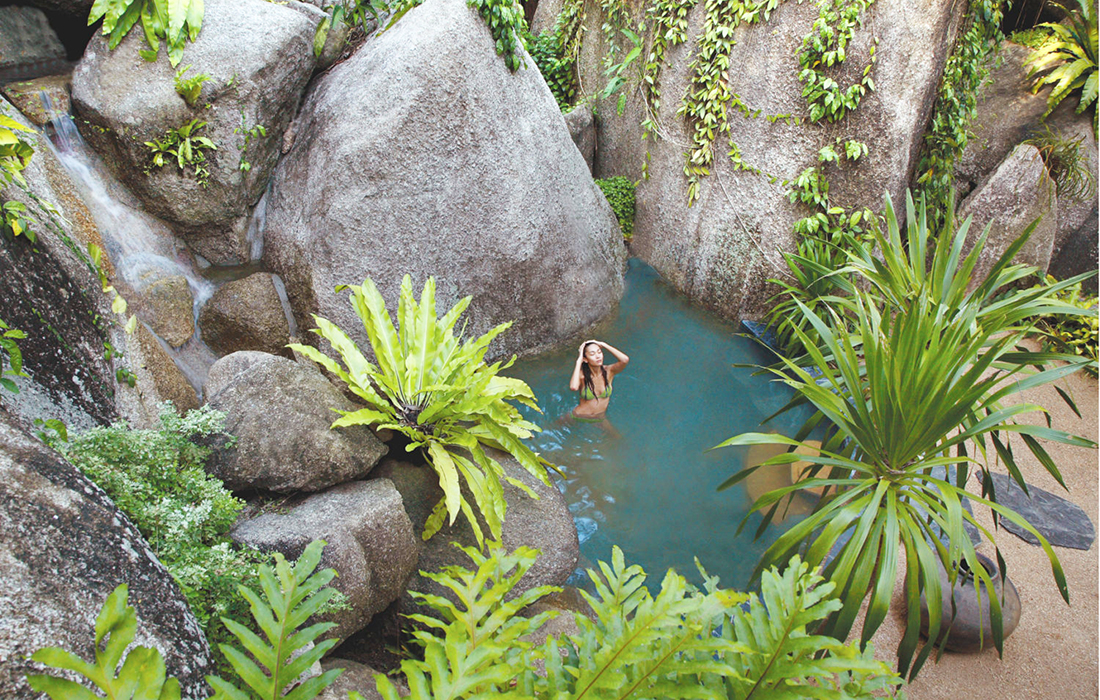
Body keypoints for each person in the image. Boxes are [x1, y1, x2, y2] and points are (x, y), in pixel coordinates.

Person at [570, 339, 629, 421]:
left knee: (615, 434)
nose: (598, 356)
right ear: (585, 359)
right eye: (592, 354)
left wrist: (604, 344)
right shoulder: (582, 375)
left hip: (600, 417)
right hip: (579, 415)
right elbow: (573, 387)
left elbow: (624, 360)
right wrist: (579, 361)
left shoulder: (609, 371)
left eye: (599, 352)